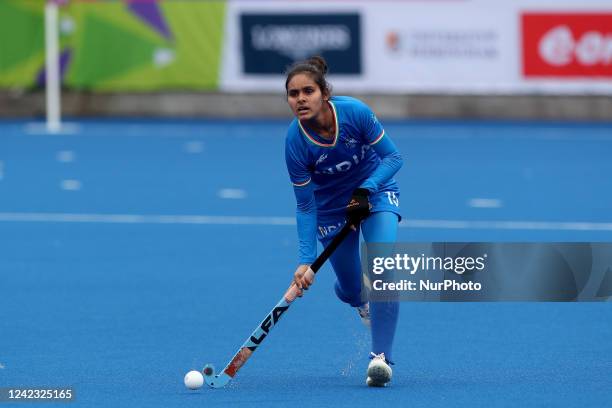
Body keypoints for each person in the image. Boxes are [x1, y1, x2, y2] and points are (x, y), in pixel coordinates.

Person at [284, 56, 403, 387]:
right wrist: (306, 259)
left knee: (382, 265)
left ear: (324, 93)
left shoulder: (355, 113)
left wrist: (367, 189)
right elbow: (305, 206)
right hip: (331, 210)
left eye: (308, 91)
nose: (300, 99)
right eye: (293, 94)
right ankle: (360, 301)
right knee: (351, 288)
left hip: (374, 194)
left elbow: (394, 157)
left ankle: (380, 359)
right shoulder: (295, 143)